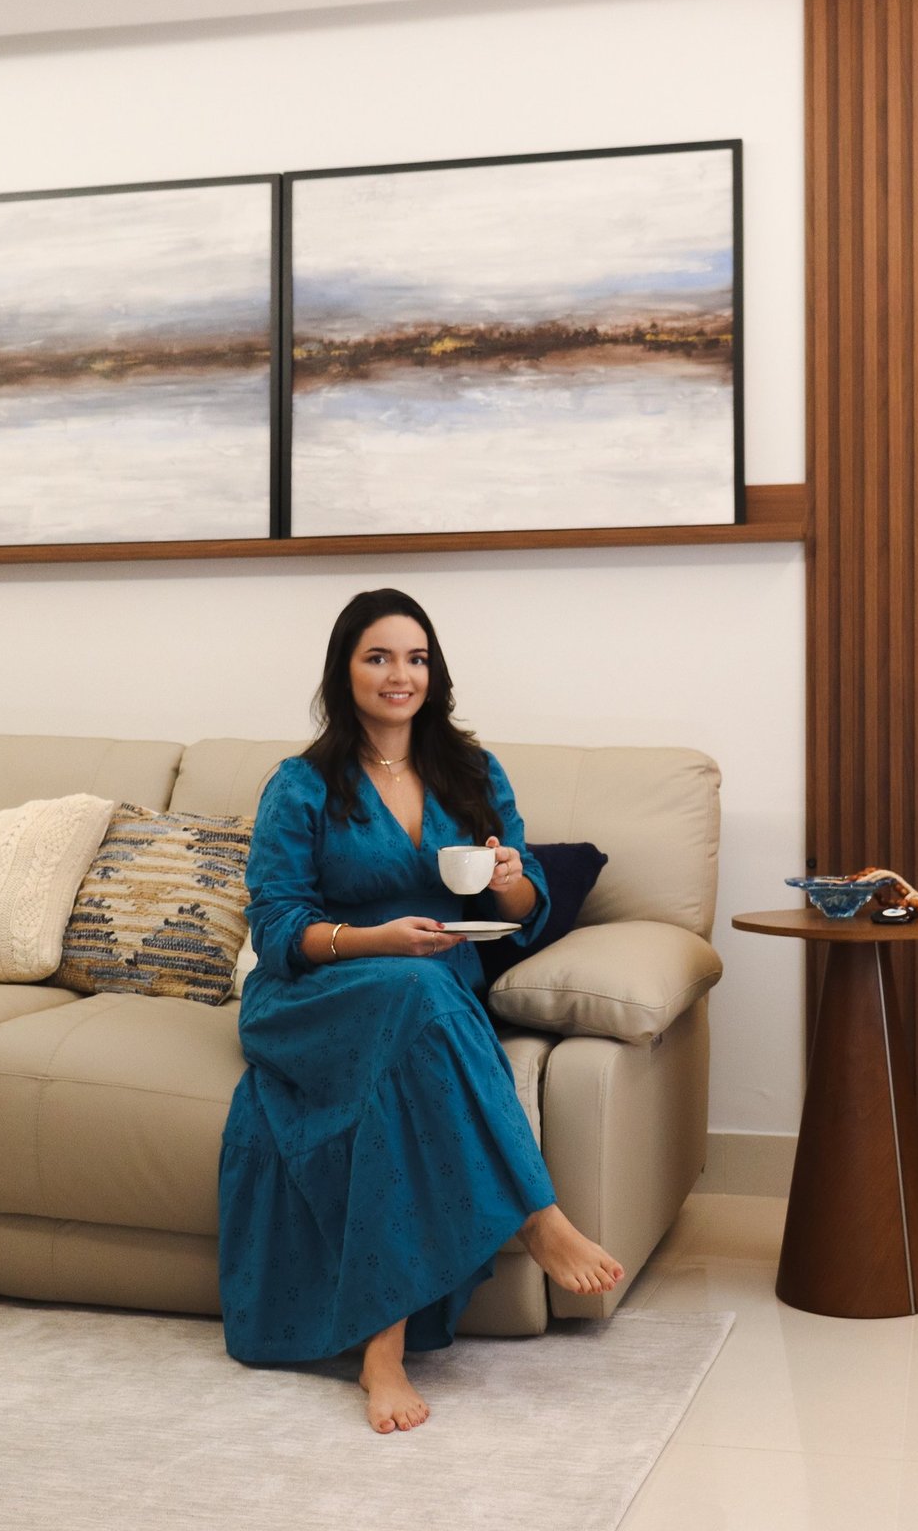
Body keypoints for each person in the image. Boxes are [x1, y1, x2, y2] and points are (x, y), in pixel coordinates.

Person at [217, 587, 624, 1434]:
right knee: (416, 990)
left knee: (409, 1046)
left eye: (416, 658)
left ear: (432, 673)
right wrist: (379, 941)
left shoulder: (473, 772)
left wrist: (512, 875)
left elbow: (523, 908)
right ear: (345, 670)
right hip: (317, 993)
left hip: (433, 989)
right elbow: (280, 927)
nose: (399, 675)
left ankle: (383, 1351)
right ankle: (538, 1218)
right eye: (378, 657)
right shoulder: (301, 786)